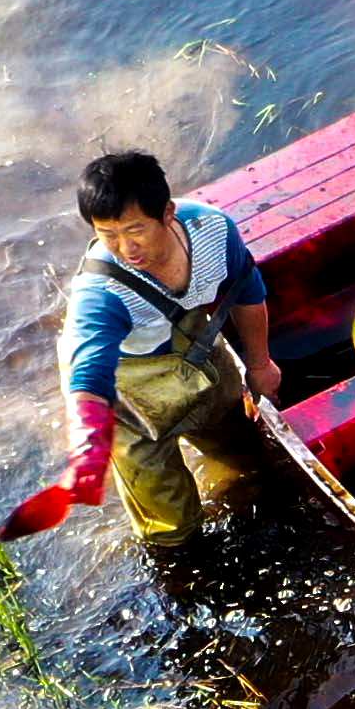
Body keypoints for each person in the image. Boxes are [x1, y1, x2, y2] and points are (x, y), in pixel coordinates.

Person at [49, 148, 278, 545]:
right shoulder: (100, 292)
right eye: (108, 234)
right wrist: (87, 445)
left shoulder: (214, 231)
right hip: (123, 379)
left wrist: (260, 365)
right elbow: (87, 373)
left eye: (135, 230)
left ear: (168, 213)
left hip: (186, 337)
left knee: (246, 458)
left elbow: (246, 291)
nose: (125, 248)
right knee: (170, 525)